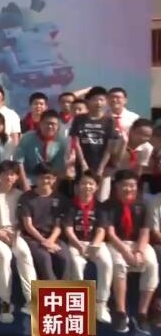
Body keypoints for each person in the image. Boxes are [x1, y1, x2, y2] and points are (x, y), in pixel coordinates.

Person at [104, 169, 158, 334]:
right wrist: (126, 253)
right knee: (119, 264)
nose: (129, 189)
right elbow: (110, 234)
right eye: (125, 185)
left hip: (137, 243)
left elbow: (145, 232)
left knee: (151, 264)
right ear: (117, 186)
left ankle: (142, 313)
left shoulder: (143, 205)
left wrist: (139, 251)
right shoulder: (108, 205)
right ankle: (121, 312)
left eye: (133, 185)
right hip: (117, 243)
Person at [0, 160, 34, 323]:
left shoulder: (20, 195)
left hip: (14, 233)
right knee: (4, 257)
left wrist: (15, 233)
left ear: (17, 177)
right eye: (5, 174)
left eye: (12, 174)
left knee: (24, 253)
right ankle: (5, 302)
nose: (8, 177)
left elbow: (22, 220)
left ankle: (31, 300)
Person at [63, 170, 112, 325]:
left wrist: (94, 245)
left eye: (91, 183)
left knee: (106, 263)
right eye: (84, 183)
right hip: (76, 242)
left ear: (96, 187)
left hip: (95, 243)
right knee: (76, 264)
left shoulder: (100, 207)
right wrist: (79, 246)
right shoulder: (70, 205)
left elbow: (101, 230)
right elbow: (68, 229)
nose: (87, 186)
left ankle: (101, 304)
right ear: (78, 186)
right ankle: (79, 305)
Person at [17, 165, 69, 287]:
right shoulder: (26, 198)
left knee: (64, 258)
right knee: (44, 258)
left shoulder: (60, 198)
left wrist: (50, 240)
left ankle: (63, 290)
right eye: (41, 177)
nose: (45, 181)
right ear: (36, 178)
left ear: (54, 179)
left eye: (48, 177)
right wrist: (43, 241)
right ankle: (51, 292)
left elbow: (58, 224)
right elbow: (28, 225)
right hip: (32, 238)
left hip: (53, 238)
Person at [69, 87, 119, 201]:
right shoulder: (79, 119)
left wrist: (101, 167)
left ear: (106, 102)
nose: (98, 103)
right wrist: (83, 163)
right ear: (88, 101)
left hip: (102, 168)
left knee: (101, 200)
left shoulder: (110, 121)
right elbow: (75, 141)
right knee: (80, 199)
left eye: (101, 99)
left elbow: (110, 146)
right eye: (95, 99)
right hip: (82, 167)